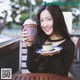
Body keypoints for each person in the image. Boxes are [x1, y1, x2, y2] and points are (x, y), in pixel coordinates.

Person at [22, 5, 75, 76]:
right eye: (42, 20)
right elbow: (32, 69)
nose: (44, 24)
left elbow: (62, 74)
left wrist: (54, 53)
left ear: (57, 19)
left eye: (49, 19)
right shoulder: (39, 39)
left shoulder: (69, 45)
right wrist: (29, 46)